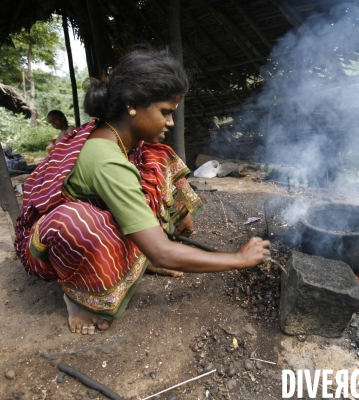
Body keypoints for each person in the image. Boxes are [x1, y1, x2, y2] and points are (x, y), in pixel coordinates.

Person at [14, 47, 271, 335]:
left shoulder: (119, 138)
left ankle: (138, 255)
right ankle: (81, 297)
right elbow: (162, 253)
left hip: (103, 211)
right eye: (166, 112)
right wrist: (238, 259)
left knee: (158, 157)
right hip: (57, 243)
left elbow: (155, 175)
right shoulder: (107, 159)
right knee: (83, 225)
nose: (171, 122)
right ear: (132, 105)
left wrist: (177, 211)